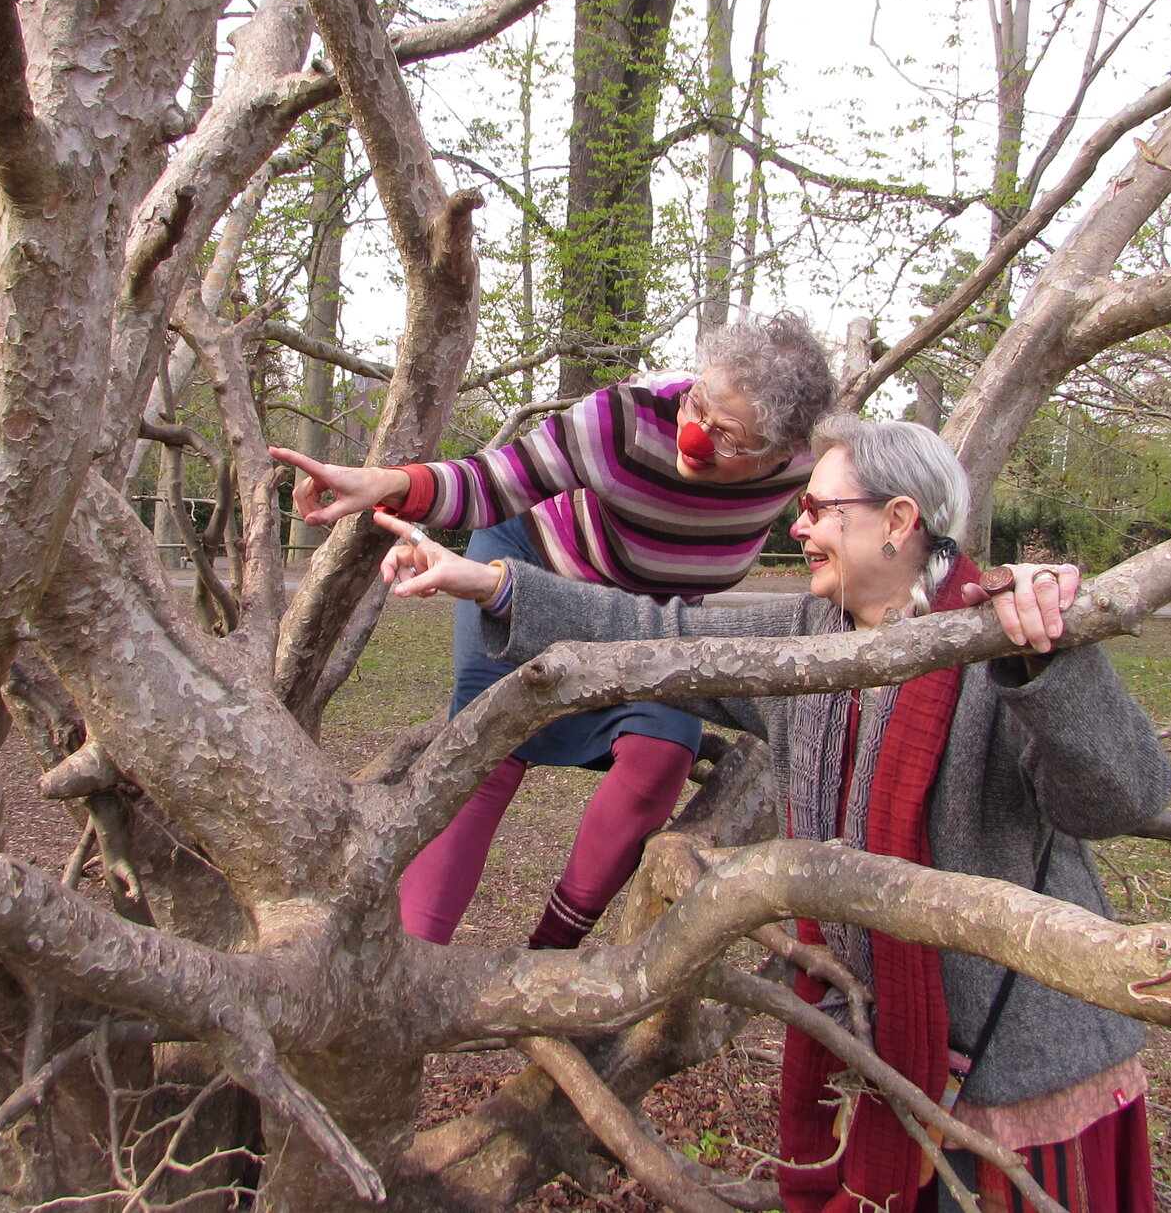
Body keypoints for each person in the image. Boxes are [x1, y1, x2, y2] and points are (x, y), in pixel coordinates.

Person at [372, 414, 1171, 1213]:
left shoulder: (997, 633)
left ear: (898, 522)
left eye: (822, 510)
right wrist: (489, 582)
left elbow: (1121, 799)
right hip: (867, 1055)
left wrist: (1053, 663)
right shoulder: (806, 638)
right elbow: (653, 632)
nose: (798, 525)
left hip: (1020, 1081)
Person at [270, 312, 833, 951]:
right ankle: (409, 961)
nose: (694, 435)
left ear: (784, 453)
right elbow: (496, 481)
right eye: (696, 402)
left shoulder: (815, 465)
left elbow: (888, 507)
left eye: (726, 436)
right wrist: (386, 484)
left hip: (649, 618)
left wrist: (951, 579)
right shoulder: (622, 422)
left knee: (662, 755)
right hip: (530, 568)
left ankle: (551, 952)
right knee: (487, 749)